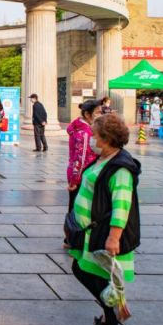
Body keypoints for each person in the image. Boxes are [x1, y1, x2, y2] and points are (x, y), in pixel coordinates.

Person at [70, 114, 140, 325]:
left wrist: (114, 237)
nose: (91, 138)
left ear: (107, 138)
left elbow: (122, 204)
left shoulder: (120, 168)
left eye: (95, 135)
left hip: (102, 233)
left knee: (94, 275)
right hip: (90, 231)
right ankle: (109, 310)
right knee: (84, 269)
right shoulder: (104, 158)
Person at [64, 100, 100, 248]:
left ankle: (71, 238)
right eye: (97, 112)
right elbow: (80, 158)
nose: (100, 115)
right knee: (77, 209)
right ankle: (72, 238)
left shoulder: (84, 129)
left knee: (76, 207)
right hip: (81, 176)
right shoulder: (84, 133)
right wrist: (74, 180)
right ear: (87, 114)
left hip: (81, 175)